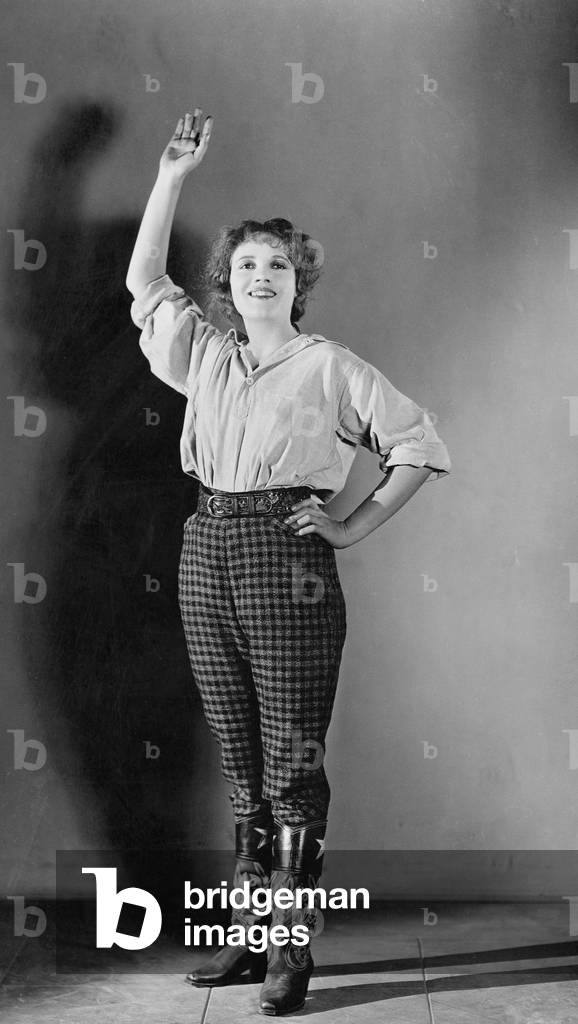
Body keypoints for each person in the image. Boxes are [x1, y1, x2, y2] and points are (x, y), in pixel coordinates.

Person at [126, 108, 451, 1016]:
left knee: (289, 763)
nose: (260, 275)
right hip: (204, 549)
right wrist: (172, 177)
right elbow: (144, 279)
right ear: (226, 284)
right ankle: (249, 941)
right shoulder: (207, 359)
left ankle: (291, 955)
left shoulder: (328, 366)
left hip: (285, 557)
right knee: (237, 758)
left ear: (296, 280)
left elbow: (419, 446)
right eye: (245, 265)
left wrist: (347, 527)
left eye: (276, 264)